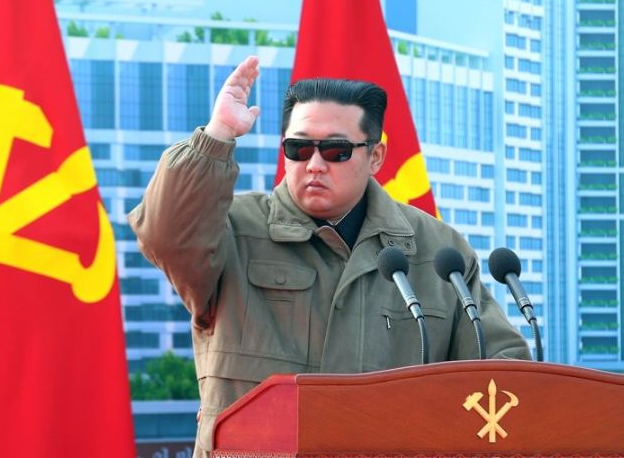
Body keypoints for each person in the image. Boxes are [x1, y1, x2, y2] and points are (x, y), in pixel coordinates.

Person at [128, 55, 531, 457]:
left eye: (336, 150)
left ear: (375, 157)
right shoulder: (234, 230)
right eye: (299, 148)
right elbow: (165, 232)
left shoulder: (437, 252)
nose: (315, 165)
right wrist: (217, 136)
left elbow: (502, 373)